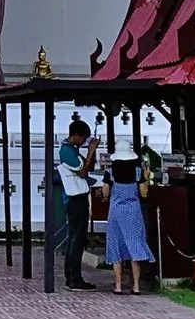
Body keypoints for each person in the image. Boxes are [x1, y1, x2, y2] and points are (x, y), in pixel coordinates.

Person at [54, 117, 98, 290]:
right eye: (83, 138)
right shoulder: (67, 151)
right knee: (76, 238)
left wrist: (90, 152)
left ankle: (72, 276)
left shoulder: (72, 149)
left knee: (76, 237)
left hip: (78, 197)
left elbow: (89, 167)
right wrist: (91, 150)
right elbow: (83, 171)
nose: (84, 141)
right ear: (77, 136)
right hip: (75, 198)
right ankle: (74, 278)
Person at [102, 154, 153, 294]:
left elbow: (105, 193)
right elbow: (144, 193)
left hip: (116, 213)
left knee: (116, 246)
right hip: (133, 213)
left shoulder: (110, 173)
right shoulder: (138, 172)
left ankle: (118, 286)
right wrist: (147, 178)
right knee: (134, 245)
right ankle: (136, 286)